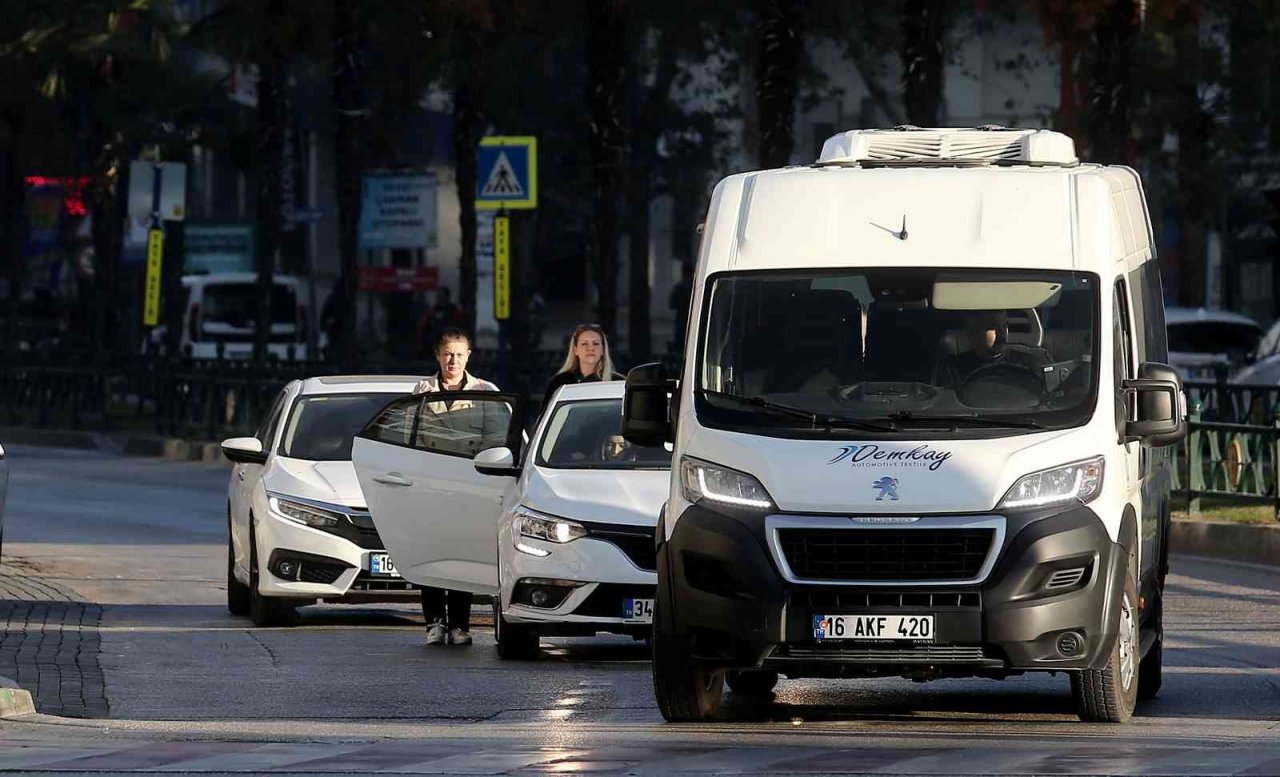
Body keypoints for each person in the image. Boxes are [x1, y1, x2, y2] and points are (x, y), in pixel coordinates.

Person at [413, 327, 499, 647]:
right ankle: (434, 623)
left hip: (468, 485)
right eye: (448, 353)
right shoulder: (422, 391)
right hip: (431, 487)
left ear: (468, 357)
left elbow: (495, 437)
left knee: (461, 554)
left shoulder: (485, 391)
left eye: (459, 354)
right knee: (433, 555)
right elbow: (411, 435)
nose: (453, 360)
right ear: (438, 355)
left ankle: (460, 624)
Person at [936, 310, 1049, 392]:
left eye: (1004, 326)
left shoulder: (1030, 362)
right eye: (993, 328)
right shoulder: (953, 369)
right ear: (973, 333)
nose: (1002, 333)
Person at [544, 323, 623, 400]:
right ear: (575, 350)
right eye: (584, 344)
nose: (590, 348)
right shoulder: (560, 382)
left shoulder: (618, 383)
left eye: (595, 344)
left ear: (603, 350)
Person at [415, 286, 464, 359]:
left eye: (441, 296)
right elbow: (424, 323)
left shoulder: (453, 309)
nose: (439, 298)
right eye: (438, 296)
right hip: (435, 335)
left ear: (447, 297)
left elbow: (460, 324)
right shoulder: (434, 309)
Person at [668, 263, 694, 353]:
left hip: (687, 321)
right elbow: (671, 304)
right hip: (683, 322)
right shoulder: (680, 288)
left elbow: (671, 305)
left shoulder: (693, 287)